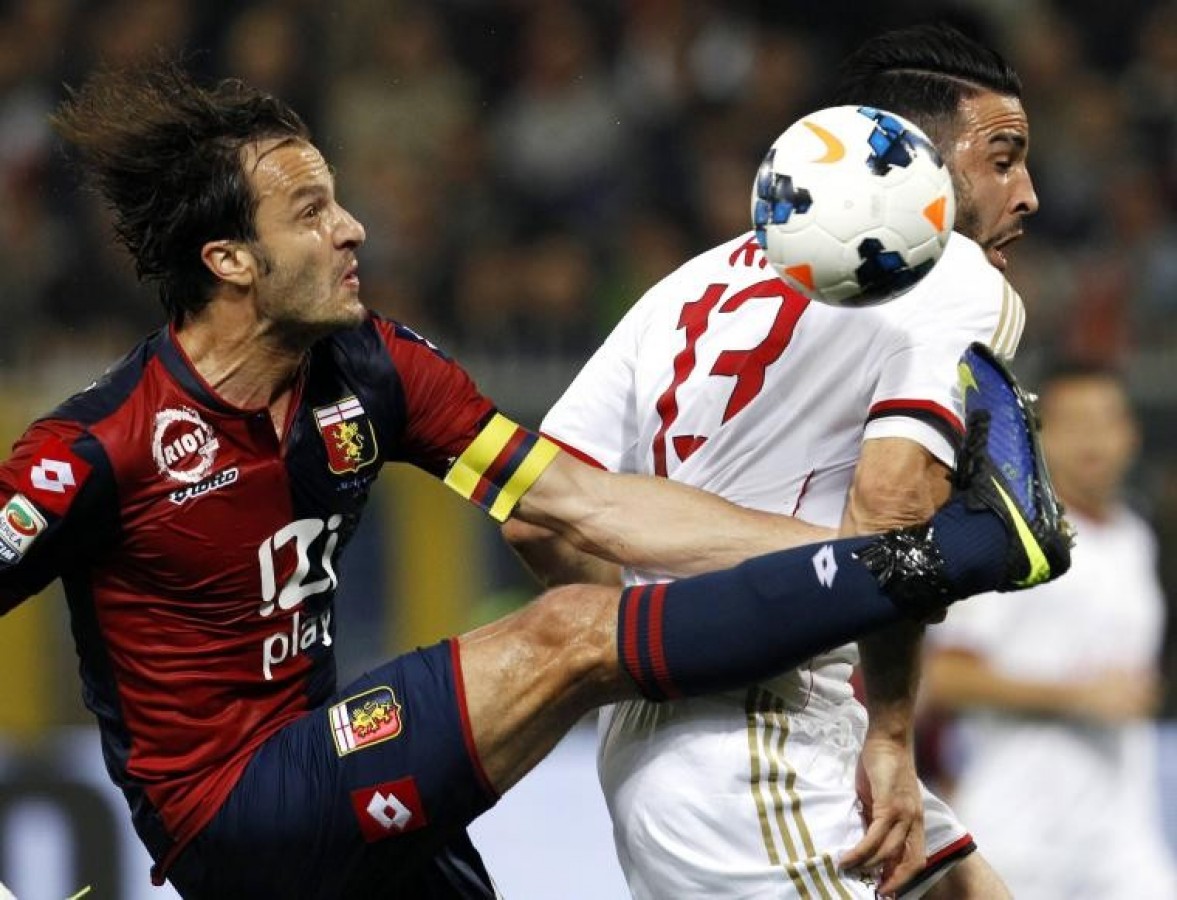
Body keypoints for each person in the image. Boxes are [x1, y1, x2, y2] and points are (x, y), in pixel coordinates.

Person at [0, 59, 1069, 900]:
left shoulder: (371, 369)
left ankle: (933, 555)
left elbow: (582, 502)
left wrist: (858, 560)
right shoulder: (94, 448)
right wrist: (920, 562)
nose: (351, 227)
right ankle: (972, 547)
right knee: (567, 633)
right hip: (230, 810)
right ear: (230, 260)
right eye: (312, 212)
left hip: (338, 774)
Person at [505, 22, 1044, 900]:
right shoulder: (956, 274)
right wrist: (892, 735)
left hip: (671, 731)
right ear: (911, 163)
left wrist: (669, 639)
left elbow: (536, 517)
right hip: (766, 736)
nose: (1026, 195)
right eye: (1002, 160)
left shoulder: (687, 283)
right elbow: (892, 513)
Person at [924, 360, 1177, 899]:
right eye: (1074, 423)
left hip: (1122, 837)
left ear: (1130, 434)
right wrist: (1076, 696)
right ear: (1038, 437)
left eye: (1106, 421)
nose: (1093, 440)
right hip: (1023, 835)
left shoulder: (1134, 537)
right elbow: (944, 677)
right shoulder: (1006, 540)